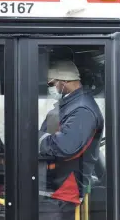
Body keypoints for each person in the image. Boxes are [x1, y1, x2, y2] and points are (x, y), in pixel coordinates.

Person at [38, 60, 104, 220]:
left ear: (64, 82)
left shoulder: (82, 110)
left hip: (63, 189)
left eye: (52, 84)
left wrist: (35, 138)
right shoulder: (70, 105)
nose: (51, 88)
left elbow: (64, 147)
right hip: (55, 185)